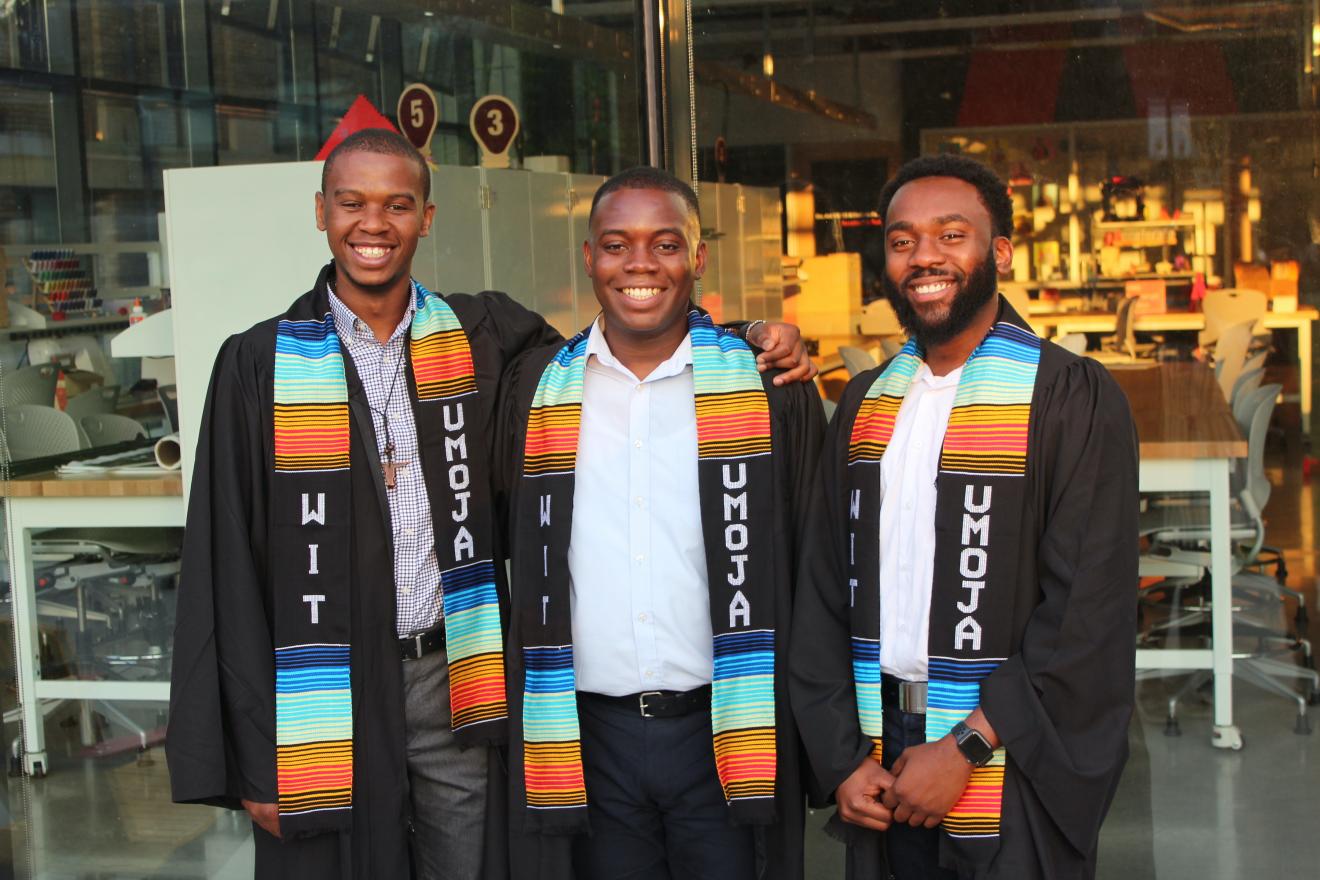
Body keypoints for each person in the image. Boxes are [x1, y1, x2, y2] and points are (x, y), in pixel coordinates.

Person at [167, 130, 814, 880]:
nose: (373, 225)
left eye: (397, 204)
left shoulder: (484, 339)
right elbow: (228, 566)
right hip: (328, 691)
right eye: (352, 203)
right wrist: (256, 752)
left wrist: (749, 340)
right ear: (321, 212)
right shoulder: (259, 365)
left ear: (427, 219)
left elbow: (628, 342)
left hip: (461, 684)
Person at [790, 154, 1138, 880]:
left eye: (952, 235)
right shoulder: (862, 404)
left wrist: (967, 748)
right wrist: (841, 760)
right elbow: (822, 591)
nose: (925, 257)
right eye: (902, 239)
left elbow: (1083, 611)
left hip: (1007, 758)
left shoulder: (1067, 397)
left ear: (1000, 252)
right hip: (877, 753)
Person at [496, 166, 825, 880]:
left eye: (665, 244)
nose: (640, 264)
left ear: (698, 258)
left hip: (728, 728)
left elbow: (816, 565)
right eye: (616, 245)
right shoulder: (535, 391)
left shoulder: (766, 390)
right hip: (591, 739)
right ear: (588, 258)